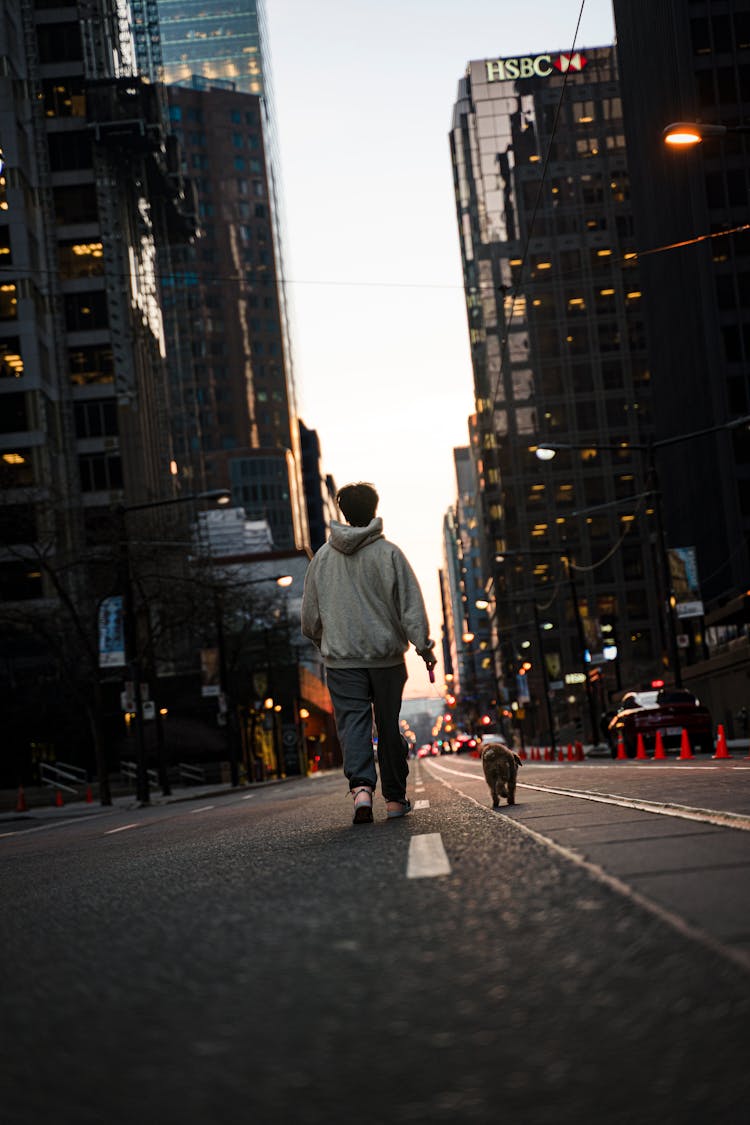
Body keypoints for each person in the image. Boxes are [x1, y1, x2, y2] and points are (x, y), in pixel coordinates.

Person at [301, 482, 437, 824]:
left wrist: (326, 643)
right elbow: (410, 607)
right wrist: (423, 647)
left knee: (353, 726)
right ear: (374, 510)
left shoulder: (322, 559)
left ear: (343, 512)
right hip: (386, 658)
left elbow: (310, 619)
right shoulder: (389, 553)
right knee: (388, 726)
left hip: (342, 661)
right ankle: (394, 799)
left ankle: (361, 791)